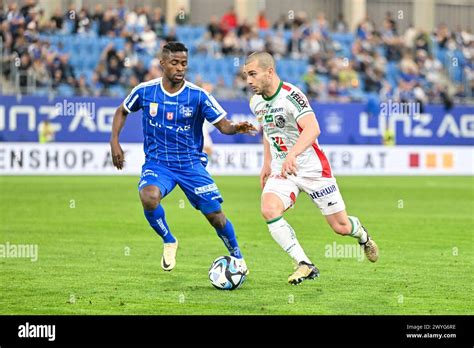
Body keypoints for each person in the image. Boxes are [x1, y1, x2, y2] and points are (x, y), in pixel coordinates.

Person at [110, 42, 256, 273]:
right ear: (163, 63)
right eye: (175, 63)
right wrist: (114, 142)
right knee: (148, 196)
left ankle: (238, 258)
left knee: (215, 217)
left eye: (184, 64)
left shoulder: (198, 96)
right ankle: (169, 240)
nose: (180, 68)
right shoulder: (145, 91)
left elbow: (223, 126)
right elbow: (122, 110)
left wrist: (237, 127)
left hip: (190, 164)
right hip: (158, 163)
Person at [244, 52, 379, 285]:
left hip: (313, 169)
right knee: (269, 208)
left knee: (341, 227)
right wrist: (267, 162)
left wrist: (293, 154)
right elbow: (268, 130)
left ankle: (363, 236)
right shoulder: (255, 102)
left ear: (270, 72)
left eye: (253, 74)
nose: (248, 80)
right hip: (282, 169)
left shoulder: (292, 96)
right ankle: (304, 264)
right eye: (246, 75)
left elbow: (313, 128)